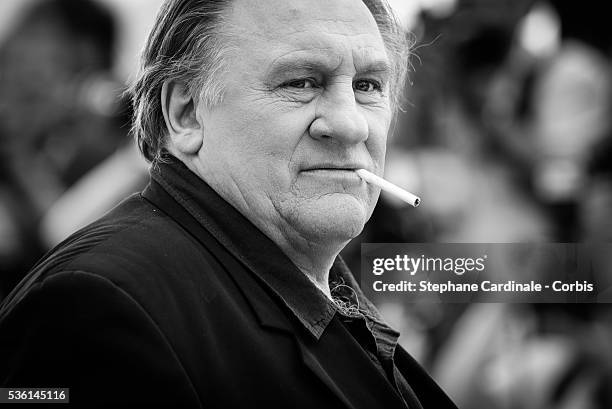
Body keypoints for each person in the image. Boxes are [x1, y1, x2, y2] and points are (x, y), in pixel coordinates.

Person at [0, 0, 458, 407]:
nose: (351, 124)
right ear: (186, 113)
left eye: (368, 86)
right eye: (301, 82)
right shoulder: (99, 307)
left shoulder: (313, 279)